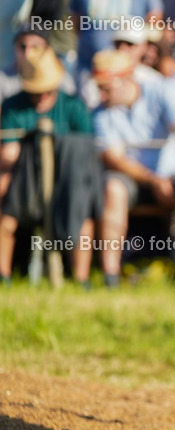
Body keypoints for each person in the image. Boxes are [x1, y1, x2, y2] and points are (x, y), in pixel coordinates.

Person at [91, 49, 175, 288]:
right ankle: (110, 276)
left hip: (173, 175)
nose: (101, 95)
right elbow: (114, 159)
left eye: (106, 88)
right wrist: (153, 180)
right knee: (113, 188)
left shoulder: (163, 90)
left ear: (125, 80)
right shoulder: (101, 113)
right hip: (133, 180)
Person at [0, 47, 95, 285]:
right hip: (25, 179)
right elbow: (8, 154)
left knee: (83, 216)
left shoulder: (73, 106)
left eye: (46, 90)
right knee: (6, 218)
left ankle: (81, 279)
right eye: (36, 91)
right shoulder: (13, 106)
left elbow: (87, 152)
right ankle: (4, 276)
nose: (42, 95)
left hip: (66, 180)